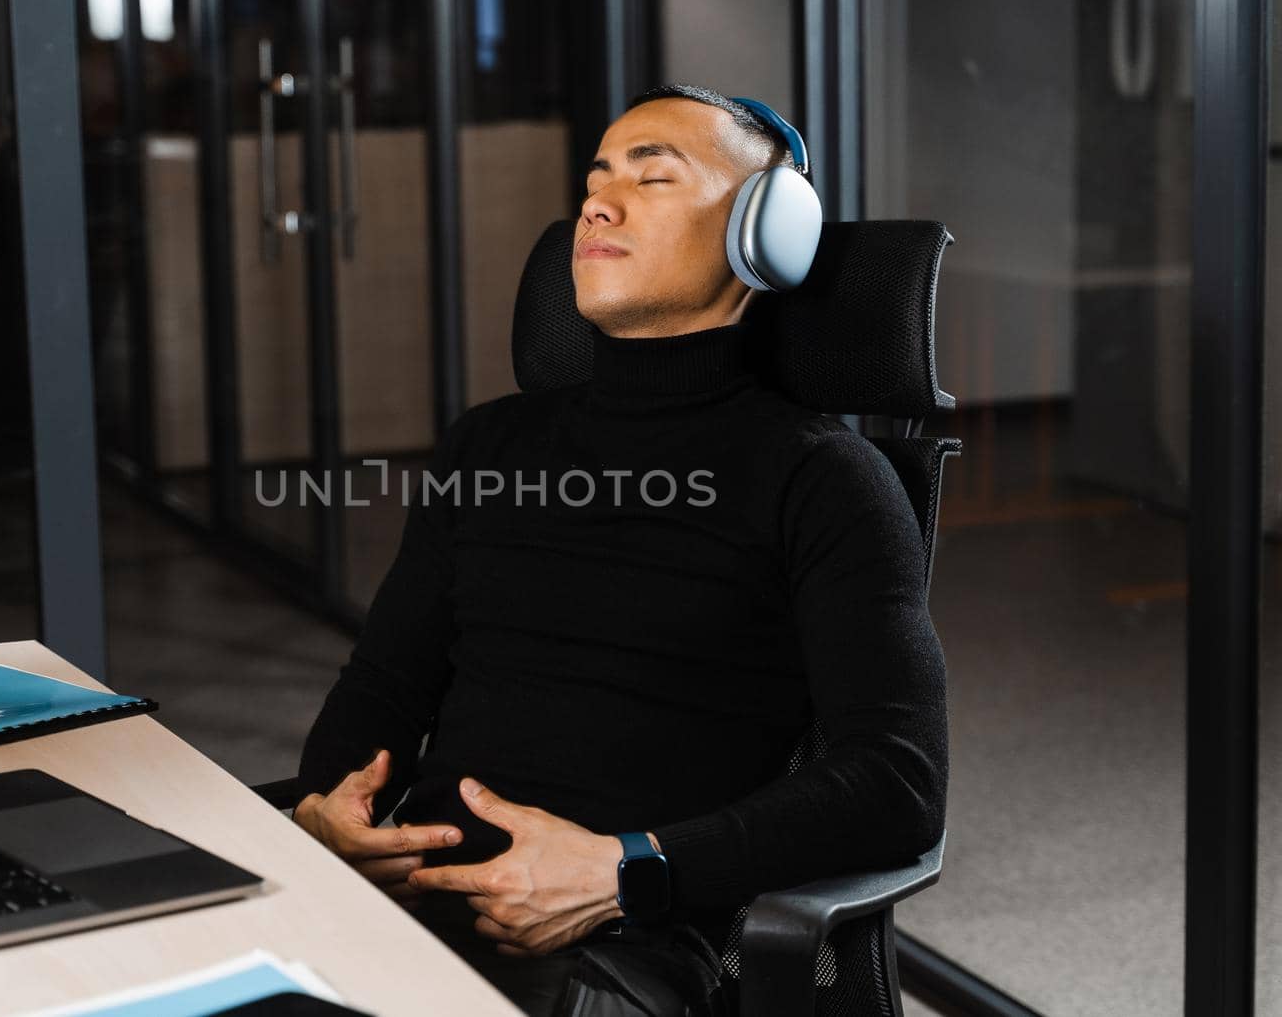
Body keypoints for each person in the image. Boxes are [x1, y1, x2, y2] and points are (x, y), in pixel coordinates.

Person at [290, 84, 948, 1016]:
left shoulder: (824, 477)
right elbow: (386, 685)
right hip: (403, 913)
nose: (597, 202)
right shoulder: (489, 447)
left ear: (765, 232)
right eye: (597, 175)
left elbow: (898, 782)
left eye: (653, 174)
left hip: (616, 952)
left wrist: (627, 870)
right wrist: (326, 811)